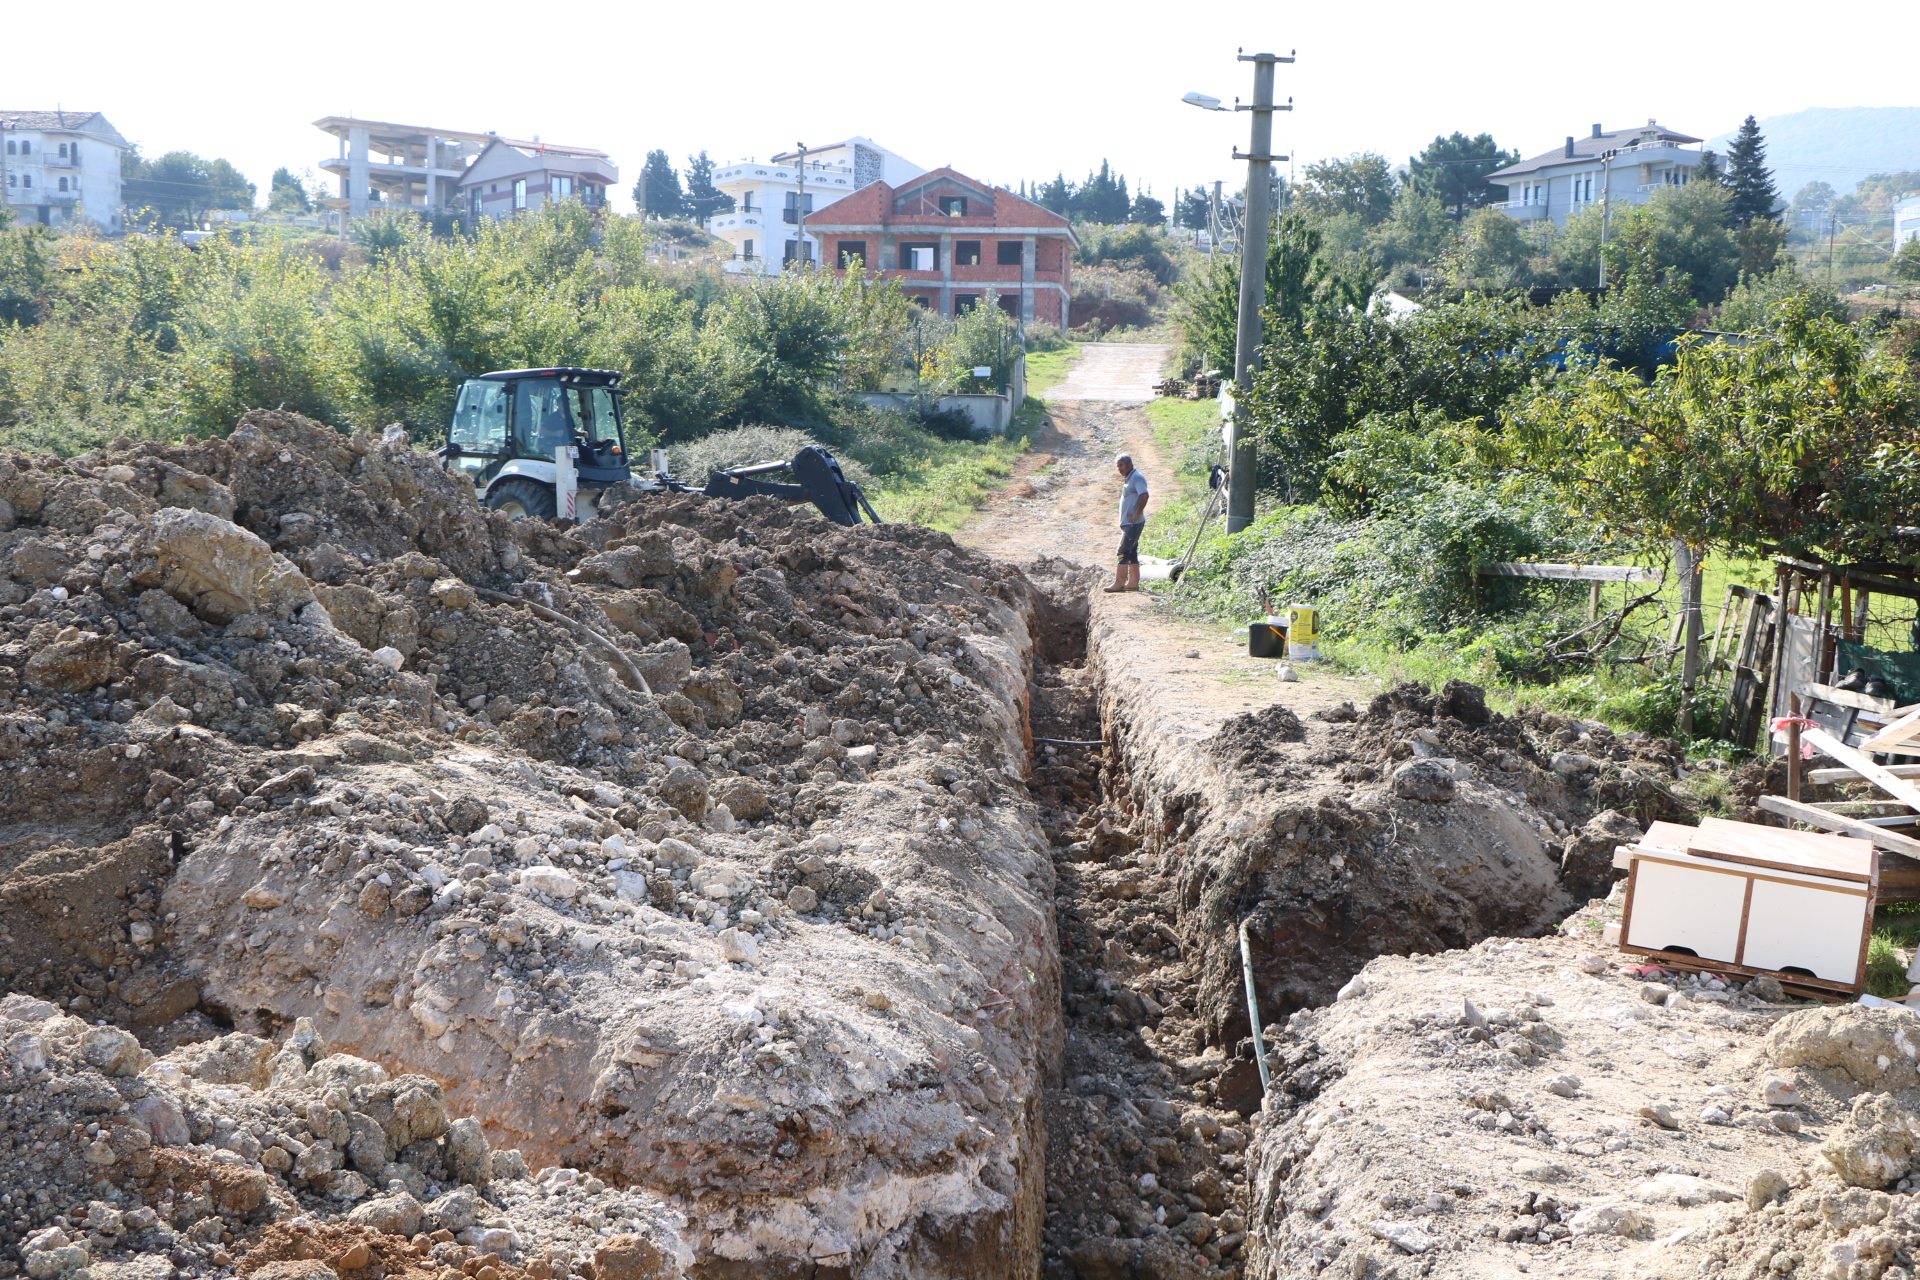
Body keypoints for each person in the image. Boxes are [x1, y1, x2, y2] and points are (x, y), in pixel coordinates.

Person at [1105, 454, 1149, 593]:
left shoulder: (1137, 478)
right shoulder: (1131, 478)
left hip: (1133, 524)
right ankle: (1133, 583)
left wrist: (1137, 513)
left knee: (1123, 552)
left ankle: (1119, 583)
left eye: (1121, 465)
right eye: (1118, 466)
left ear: (1130, 465)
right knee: (1132, 553)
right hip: (1129, 523)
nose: (1120, 469)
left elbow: (1145, 495)